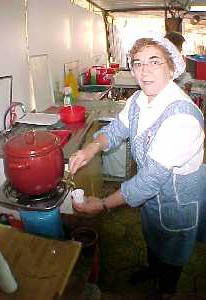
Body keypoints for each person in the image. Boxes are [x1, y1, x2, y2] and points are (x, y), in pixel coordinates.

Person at [69, 32, 206, 298]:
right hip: (152, 196)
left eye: (154, 61)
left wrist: (104, 204)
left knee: (174, 245)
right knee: (154, 235)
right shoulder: (139, 99)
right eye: (138, 63)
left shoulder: (182, 117)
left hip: (177, 199)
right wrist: (92, 147)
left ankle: (167, 289)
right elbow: (119, 127)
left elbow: (150, 180)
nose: (144, 71)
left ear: (171, 66)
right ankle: (153, 269)